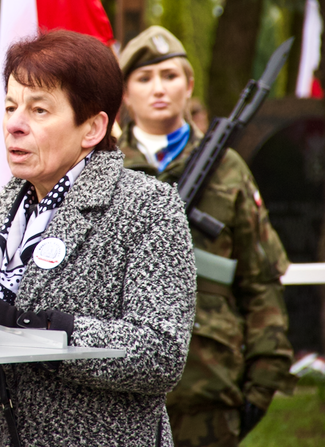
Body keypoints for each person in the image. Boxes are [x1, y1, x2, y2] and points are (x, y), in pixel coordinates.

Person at [0, 29, 196, 446]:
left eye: (39, 110)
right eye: (10, 107)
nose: (15, 125)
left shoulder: (147, 207)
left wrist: (26, 326)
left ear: (92, 128)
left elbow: (160, 354)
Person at [117, 26, 296, 447]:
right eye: (144, 78)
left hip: (210, 391)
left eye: (170, 76)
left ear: (189, 84)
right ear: (124, 94)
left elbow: (260, 280)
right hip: (122, 389)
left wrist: (264, 378)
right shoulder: (105, 168)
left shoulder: (228, 168)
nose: (158, 88)